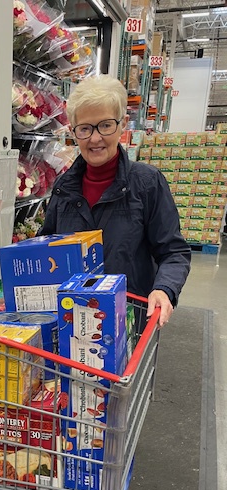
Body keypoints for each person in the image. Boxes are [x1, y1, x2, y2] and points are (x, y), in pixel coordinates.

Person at [40, 74, 191, 328]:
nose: (95, 138)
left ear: (123, 125)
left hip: (128, 321)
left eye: (106, 125)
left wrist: (164, 289)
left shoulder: (147, 183)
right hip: (73, 323)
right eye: (85, 128)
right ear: (73, 132)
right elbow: (46, 247)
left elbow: (173, 252)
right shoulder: (64, 189)